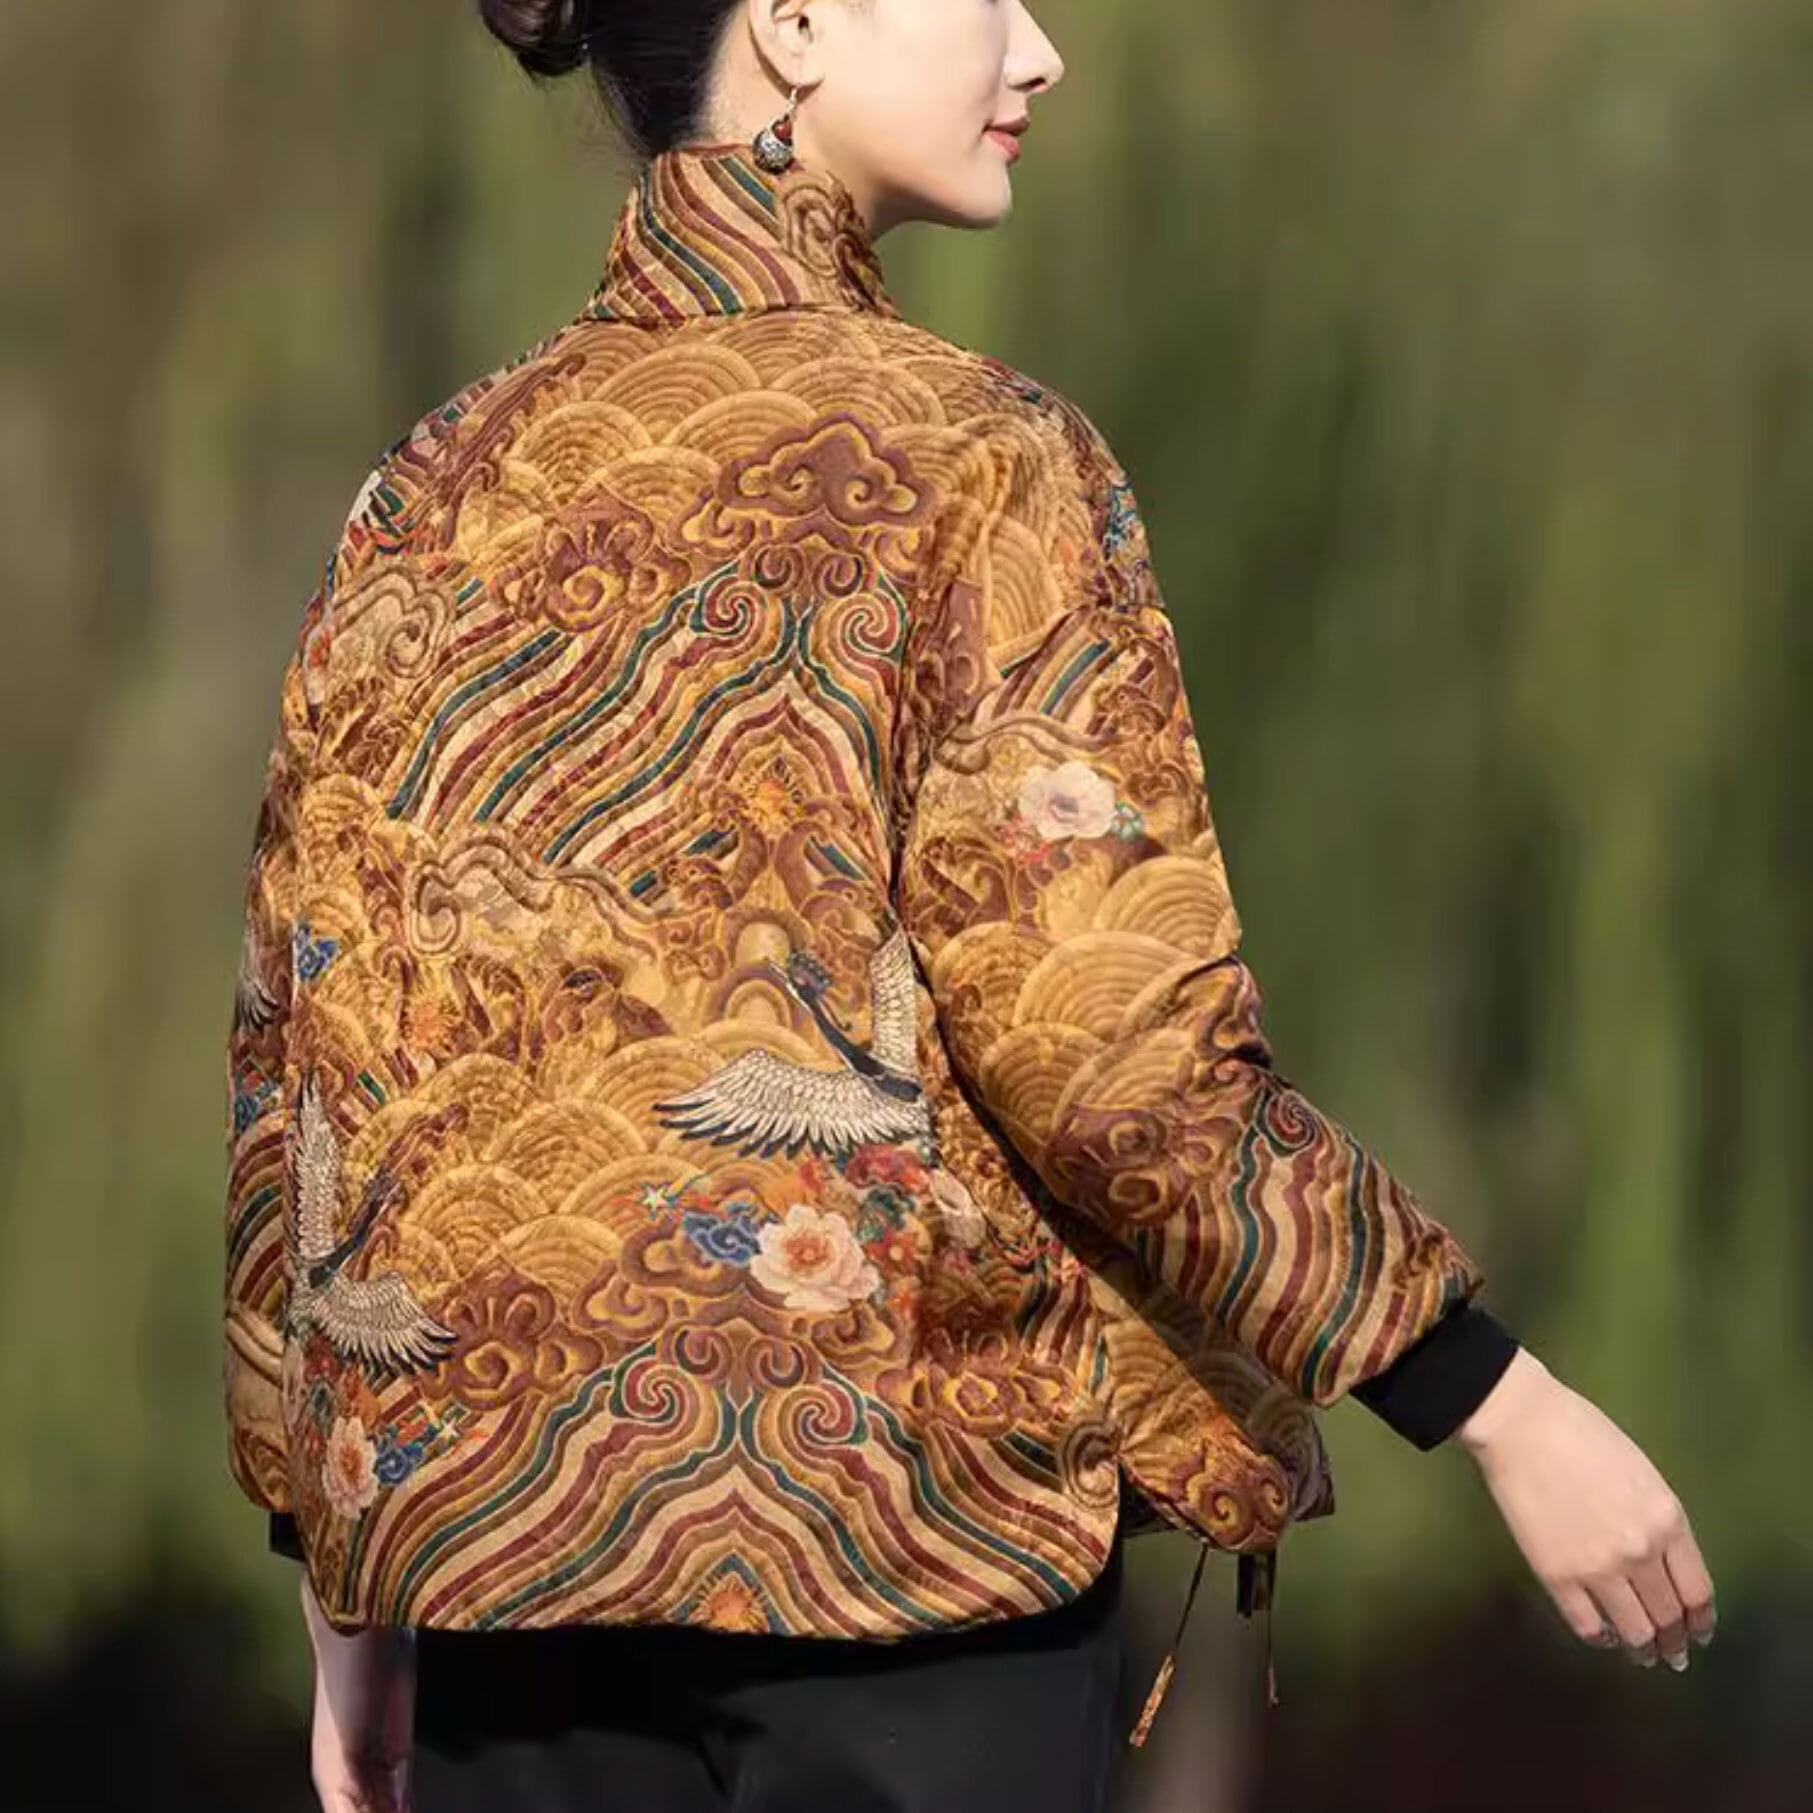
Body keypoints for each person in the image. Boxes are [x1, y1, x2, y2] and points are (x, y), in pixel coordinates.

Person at [220, 3, 1718, 1809]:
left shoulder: (434, 481)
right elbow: (1116, 1064)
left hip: (495, 1583)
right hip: (909, 1569)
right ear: (791, 20)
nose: (1038, 52)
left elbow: (312, 1051)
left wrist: (345, 1576)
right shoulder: (979, 456)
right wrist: (1492, 1398)